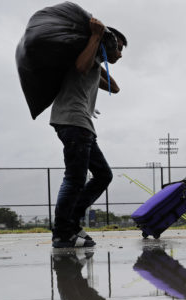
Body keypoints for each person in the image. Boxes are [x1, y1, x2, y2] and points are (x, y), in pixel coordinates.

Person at [49, 17, 127, 248]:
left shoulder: (94, 63)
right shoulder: (85, 58)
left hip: (81, 125)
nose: (121, 55)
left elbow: (115, 88)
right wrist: (96, 38)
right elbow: (80, 66)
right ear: (109, 43)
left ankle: (72, 222)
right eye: (119, 48)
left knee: (103, 175)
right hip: (73, 122)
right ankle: (62, 232)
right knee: (74, 178)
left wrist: (100, 59)